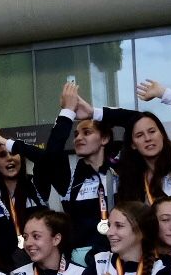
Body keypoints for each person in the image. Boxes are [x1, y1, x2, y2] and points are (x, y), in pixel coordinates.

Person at [97, 77, 171, 249]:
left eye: (152, 131)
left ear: (162, 134)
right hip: (154, 262)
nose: (147, 138)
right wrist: (94, 113)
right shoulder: (131, 181)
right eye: (139, 135)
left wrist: (163, 94)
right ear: (133, 144)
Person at [35, 82, 115, 255]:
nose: (78, 138)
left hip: (121, 262)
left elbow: (138, 122)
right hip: (82, 264)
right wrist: (67, 112)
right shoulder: (70, 179)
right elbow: (51, 155)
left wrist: (94, 112)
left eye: (87, 132)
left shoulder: (122, 171)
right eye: (76, 134)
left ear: (105, 138)